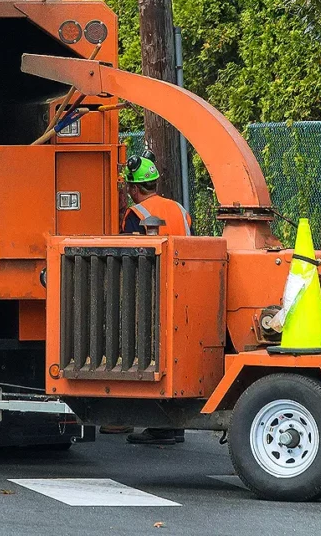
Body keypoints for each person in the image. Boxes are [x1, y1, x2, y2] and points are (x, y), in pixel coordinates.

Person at [102, 154, 192, 446]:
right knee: (173, 355)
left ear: (134, 188)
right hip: (184, 288)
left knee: (142, 356)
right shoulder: (179, 209)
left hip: (151, 291)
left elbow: (129, 256)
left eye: (128, 187)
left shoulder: (135, 213)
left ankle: (140, 421)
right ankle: (173, 425)